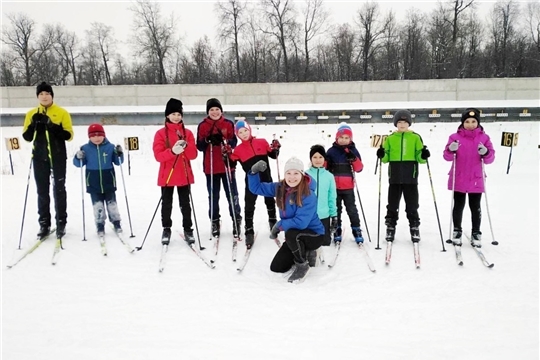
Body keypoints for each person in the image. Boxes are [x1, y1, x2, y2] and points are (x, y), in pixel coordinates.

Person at [248, 157, 325, 284]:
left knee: (292, 233)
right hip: (294, 236)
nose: (292, 177)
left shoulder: (308, 194)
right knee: (277, 267)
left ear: (302, 174)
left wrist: (279, 225)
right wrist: (253, 172)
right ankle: (304, 251)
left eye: (296, 173)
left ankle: (302, 265)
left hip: (314, 235)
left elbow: (301, 223)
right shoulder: (280, 188)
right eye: (288, 173)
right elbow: (256, 189)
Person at [22, 82, 74, 239]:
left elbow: (69, 135)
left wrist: (51, 125)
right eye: (41, 94)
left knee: (59, 189)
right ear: (37, 97)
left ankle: (61, 221)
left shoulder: (61, 112)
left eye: (47, 93)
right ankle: (44, 223)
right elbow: (26, 137)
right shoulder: (31, 113)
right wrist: (33, 125)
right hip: (39, 157)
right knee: (42, 191)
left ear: (52, 96)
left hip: (57, 156)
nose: (44, 96)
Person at [443, 108, 495, 247]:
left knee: (475, 206)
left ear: (478, 123)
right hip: (459, 177)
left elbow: (490, 159)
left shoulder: (484, 138)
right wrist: (450, 149)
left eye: (473, 121)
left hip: (476, 178)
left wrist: (486, 152)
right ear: (462, 123)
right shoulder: (455, 137)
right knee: (458, 205)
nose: (470, 124)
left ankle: (476, 232)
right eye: (467, 121)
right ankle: (457, 230)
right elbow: (447, 157)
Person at [223, 120, 279, 248]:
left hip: (266, 179)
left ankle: (273, 222)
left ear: (250, 130)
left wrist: (276, 148)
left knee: (270, 201)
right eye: (240, 132)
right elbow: (230, 165)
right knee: (249, 205)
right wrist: (225, 155)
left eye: (245, 130)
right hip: (252, 181)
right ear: (237, 135)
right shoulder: (238, 150)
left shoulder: (262, 142)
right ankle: (249, 230)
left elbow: (273, 155)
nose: (243, 134)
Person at [377, 109, 429, 243]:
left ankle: (414, 226)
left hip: (410, 177)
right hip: (394, 177)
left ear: (409, 123)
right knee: (392, 204)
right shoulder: (390, 138)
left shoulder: (415, 137)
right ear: (395, 123)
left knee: (412, 204)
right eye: (399, 122)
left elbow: (420, 157)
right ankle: (390, 226)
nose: (402, 124)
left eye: (405, 122)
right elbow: (386, 158)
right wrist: (382, 154)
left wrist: (423, 155)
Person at [152, 98, 198, 245]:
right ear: (167, 115)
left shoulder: (187, 132)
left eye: (179, 114)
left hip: (184, 174)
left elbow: (193, 155)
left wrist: (186, 146)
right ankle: (166, 228)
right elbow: (158, 156)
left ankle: (188, 229)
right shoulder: (160, 133)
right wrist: (172, 151)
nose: (176, 117)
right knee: (167, 204)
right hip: (168, 175)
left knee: (185, 203)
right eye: (173, 114)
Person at [196, 98, 242, 239]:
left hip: (227, 165)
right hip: (211, 167)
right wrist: (207, 140)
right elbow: (199, 146)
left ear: (221, 111)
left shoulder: (227, 124)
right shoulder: (203, 125)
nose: (215, 112)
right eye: (211, 110)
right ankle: (214, 221)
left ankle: (236, 219)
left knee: (232, 194)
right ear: (208, 112)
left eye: (217, 109)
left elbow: (234, 141)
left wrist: (224, 141)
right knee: (213, 196)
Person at [73, 123, 124, 236]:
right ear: (89, 137)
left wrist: (119, 153)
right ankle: (100, 224)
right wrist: (78, 157)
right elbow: (78, 164)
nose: (97, 138)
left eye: (99, 135)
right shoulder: (85, 148)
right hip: (93, 182)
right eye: (93, 136)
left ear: (104, 135)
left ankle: (116, 222)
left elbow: (118, 162)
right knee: (98, 205)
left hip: (108, 180)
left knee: (112, 204)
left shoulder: (110, 147)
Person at [326, 123, 365, 243]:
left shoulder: (353, 150)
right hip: (334, 187)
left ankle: (356, 228)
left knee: (351, 209)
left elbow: (359, 168)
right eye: (341, 137)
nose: (343, 140)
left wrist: (353, 159)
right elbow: (324, 167)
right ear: (336, 138)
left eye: (346, 138)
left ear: (350, 139)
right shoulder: (331, 151)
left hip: (348, 187)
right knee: (336, 209)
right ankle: (337, 228)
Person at [306, 144, 338, 248]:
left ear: (324, 158)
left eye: (320, 157)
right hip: (309, 216)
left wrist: (334, 216)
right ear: (311, 158)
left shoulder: (329, 176)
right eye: (314, 157)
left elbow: (332, 197)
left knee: (324, 243)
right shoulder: (305, 175)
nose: (318, 160)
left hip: (324, 216)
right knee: (310, 242)